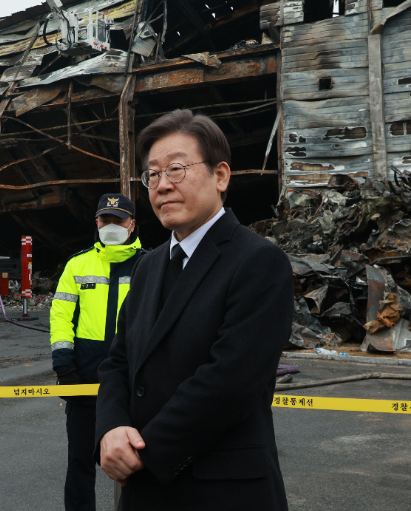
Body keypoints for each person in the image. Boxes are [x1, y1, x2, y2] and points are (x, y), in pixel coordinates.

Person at [95, 109, 294, 511]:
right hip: (144, 494)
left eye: (176, 169)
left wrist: (143, 451)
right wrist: (111, 429)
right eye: (152, 175)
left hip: (221, 491)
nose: (162, 186)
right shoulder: (149, 266)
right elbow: (118, 361)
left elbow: (231, 382)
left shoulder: (258, 261)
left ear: (220, 176)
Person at [50, 193, 147, 511]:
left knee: (138, 463)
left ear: (132, 225)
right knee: (80, 462)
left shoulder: (150, 265)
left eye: (119, 220)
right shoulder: (78, 264)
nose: (112, 225)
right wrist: (64, 365)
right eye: (106, 219)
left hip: (135, 383)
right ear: (96, 222)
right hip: (84, 380)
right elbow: (61, 316)